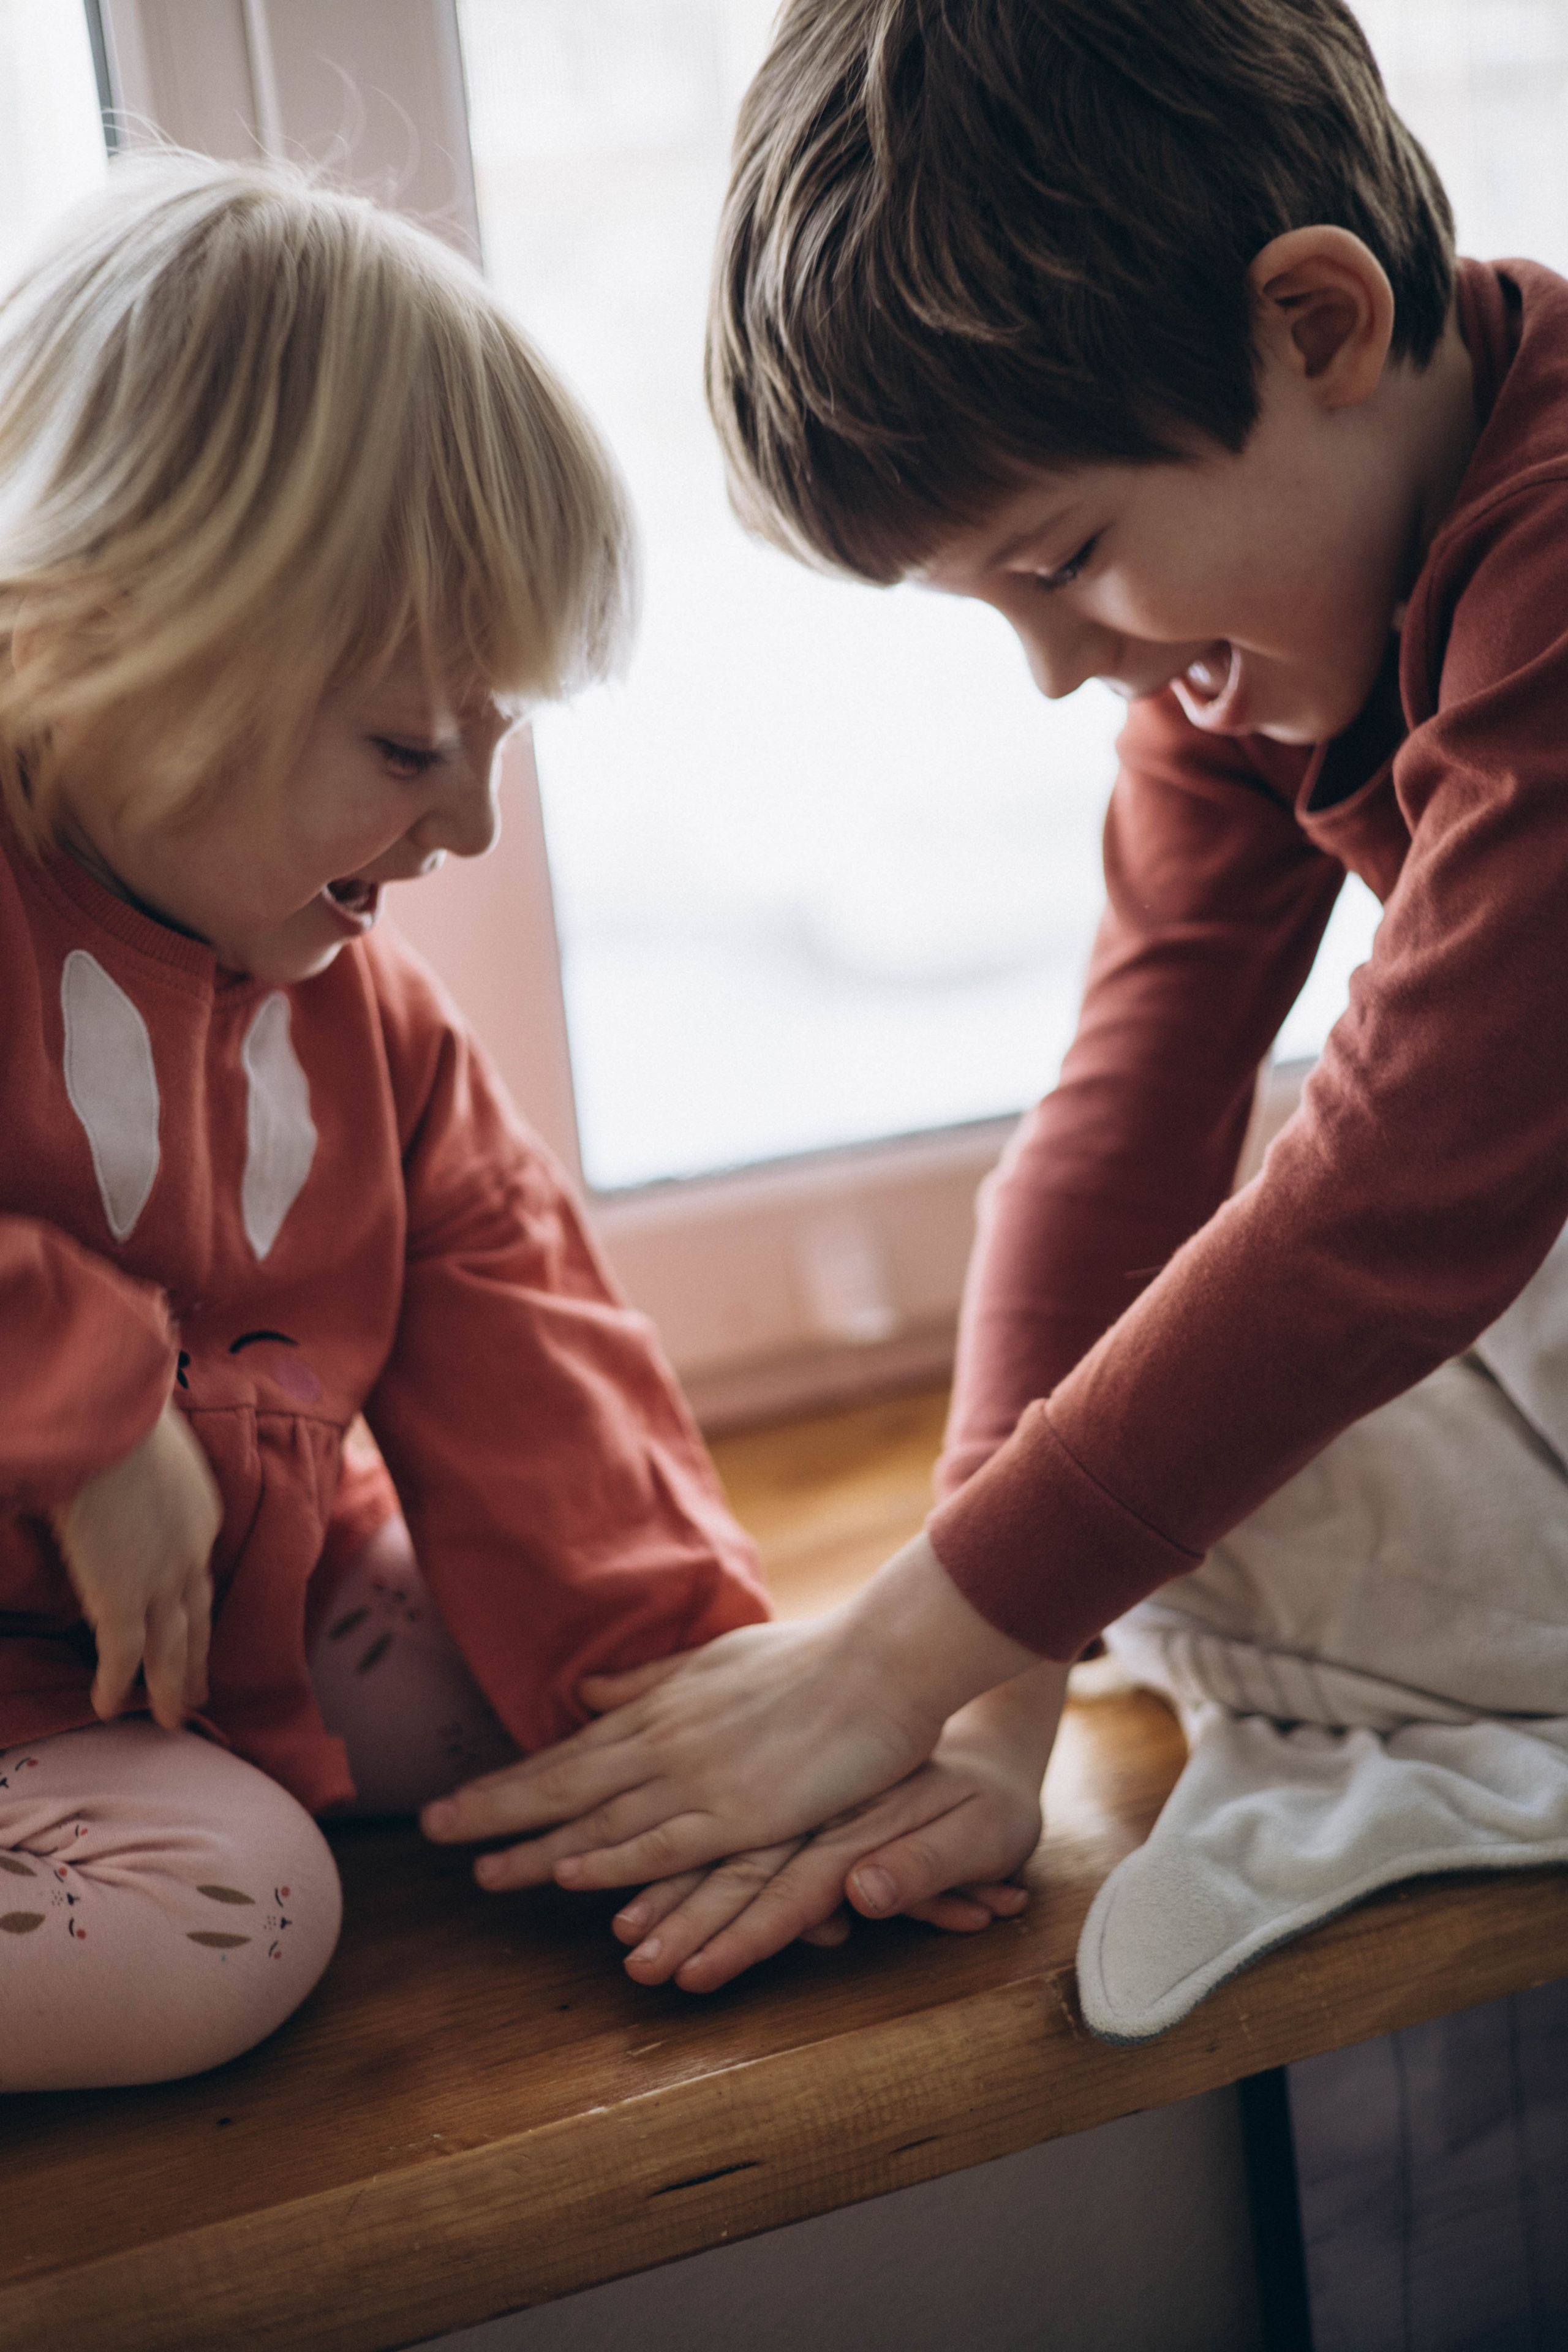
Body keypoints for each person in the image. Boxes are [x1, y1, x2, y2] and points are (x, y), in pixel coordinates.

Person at [422, 0, 1568, 2015]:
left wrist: (889, 1654)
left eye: (1067, 563)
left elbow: (1404, 1192)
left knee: (1246, 1341)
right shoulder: (1258, 637)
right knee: (1130, 1448)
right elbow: (1127, 1102)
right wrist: (984, 1704)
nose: (1060, 676)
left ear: (1317, 328)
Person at [0, 149, 797, 2095]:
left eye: (497, 738)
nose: (465, 830)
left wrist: (727, 1713)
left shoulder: (381, 1034)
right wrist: (88, 1410)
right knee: (231, 1925)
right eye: (404, 748)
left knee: (579, 1719)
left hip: (212, 1663)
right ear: (108, 649)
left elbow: (544, 1390)